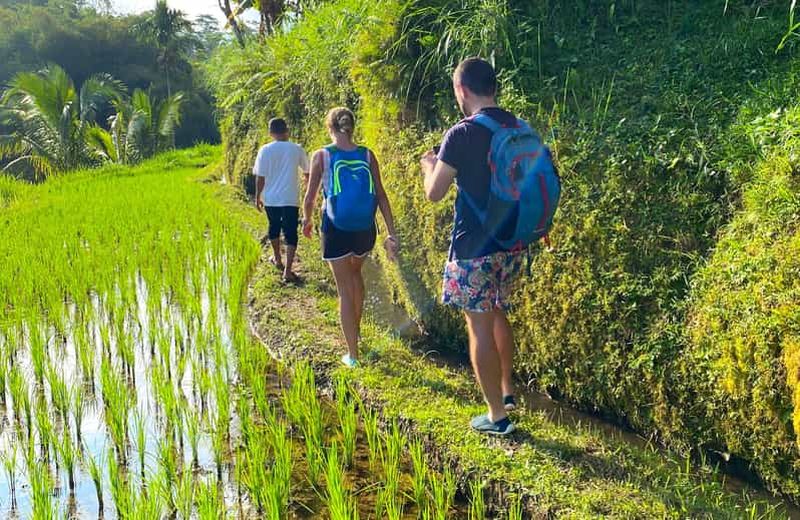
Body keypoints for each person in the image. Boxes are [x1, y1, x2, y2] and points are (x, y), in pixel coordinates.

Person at [420, 58, 524, 436]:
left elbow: (435, 193)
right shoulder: (517, 126)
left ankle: (497, 416)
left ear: (461, 90)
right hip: (510, 243)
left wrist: (428, 165)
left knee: (478, 325)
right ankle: (508, 392)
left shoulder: (461, 134)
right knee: (499, 313)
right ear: (493, 86)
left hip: (472, 248)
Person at [302, 107, 399, 367]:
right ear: (352, 127)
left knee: (344, 288)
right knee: (356, 276)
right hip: (365, 229)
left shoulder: (322, 155)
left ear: (329, 127)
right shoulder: (367, 154)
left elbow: (310, 197)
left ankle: (353, 355)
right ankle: (355, 334)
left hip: (336, 227)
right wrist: (391, 232)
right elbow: (381, 195)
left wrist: (307, 220)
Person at [254, 117, 310, 283]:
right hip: (290, 197)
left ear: (270, 133)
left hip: (271, 198)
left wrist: (258, 196)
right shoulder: (296, 149)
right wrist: (308, 191)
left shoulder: (265, 150)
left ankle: (277, 258)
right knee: (291, 231)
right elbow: (308, 172)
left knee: (274, 227)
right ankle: (288, 270)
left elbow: (260, 177)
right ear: (287, 130)